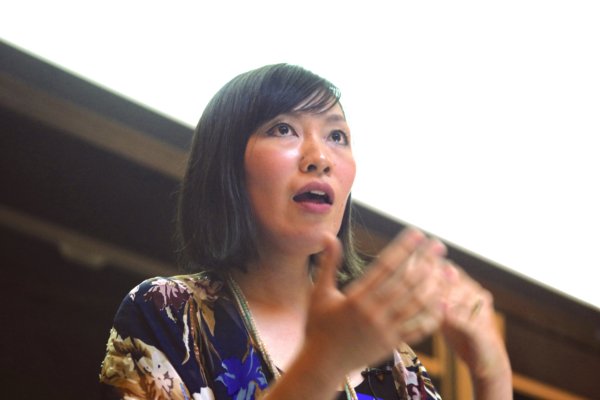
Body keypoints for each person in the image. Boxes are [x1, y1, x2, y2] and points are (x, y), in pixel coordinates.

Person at [99, 64, 512, 400]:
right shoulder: (168, 311)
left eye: (337, 136)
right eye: (283, 129)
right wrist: (323, 364)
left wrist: (492, 374)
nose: (320, 157)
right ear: (226, 165)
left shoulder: (391, 360)